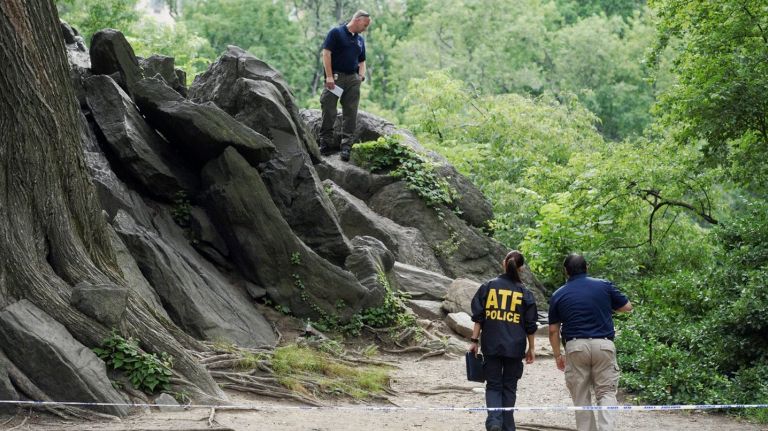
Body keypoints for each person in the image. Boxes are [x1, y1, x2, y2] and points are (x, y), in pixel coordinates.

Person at [547, 254, 633, 431]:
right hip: (603, 345)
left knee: (581, 396)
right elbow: (627, 307)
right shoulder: (604, 286)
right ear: (587, 267)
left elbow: (553, 330)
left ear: (566, 271)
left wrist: (557, 355)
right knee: (606, 392)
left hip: (575, 347)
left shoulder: (558, 294)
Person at [469, 250, 538, 431]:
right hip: (515, 347)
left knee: (493, 385)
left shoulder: (488, 286)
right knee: (509, 386)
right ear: (521, 268)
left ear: (503, 263)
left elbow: (479, 317)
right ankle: (508, 426)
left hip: (491, 344)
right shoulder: (525, 293)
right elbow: (530, 325)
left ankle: (494, 422)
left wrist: (474, 341)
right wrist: (532, 348)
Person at [318, 10, 371, 162]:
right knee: (328, 107)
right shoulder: (336, 32)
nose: (365, 28)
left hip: (353, 80)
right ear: (358, 20)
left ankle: (346, 146)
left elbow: (362, 61)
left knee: (351, 112)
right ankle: (325, 143)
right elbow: (326, 54)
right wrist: (328, 76)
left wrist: (360, 75)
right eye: (365, 25)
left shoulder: (360, 40)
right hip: (335, 77)